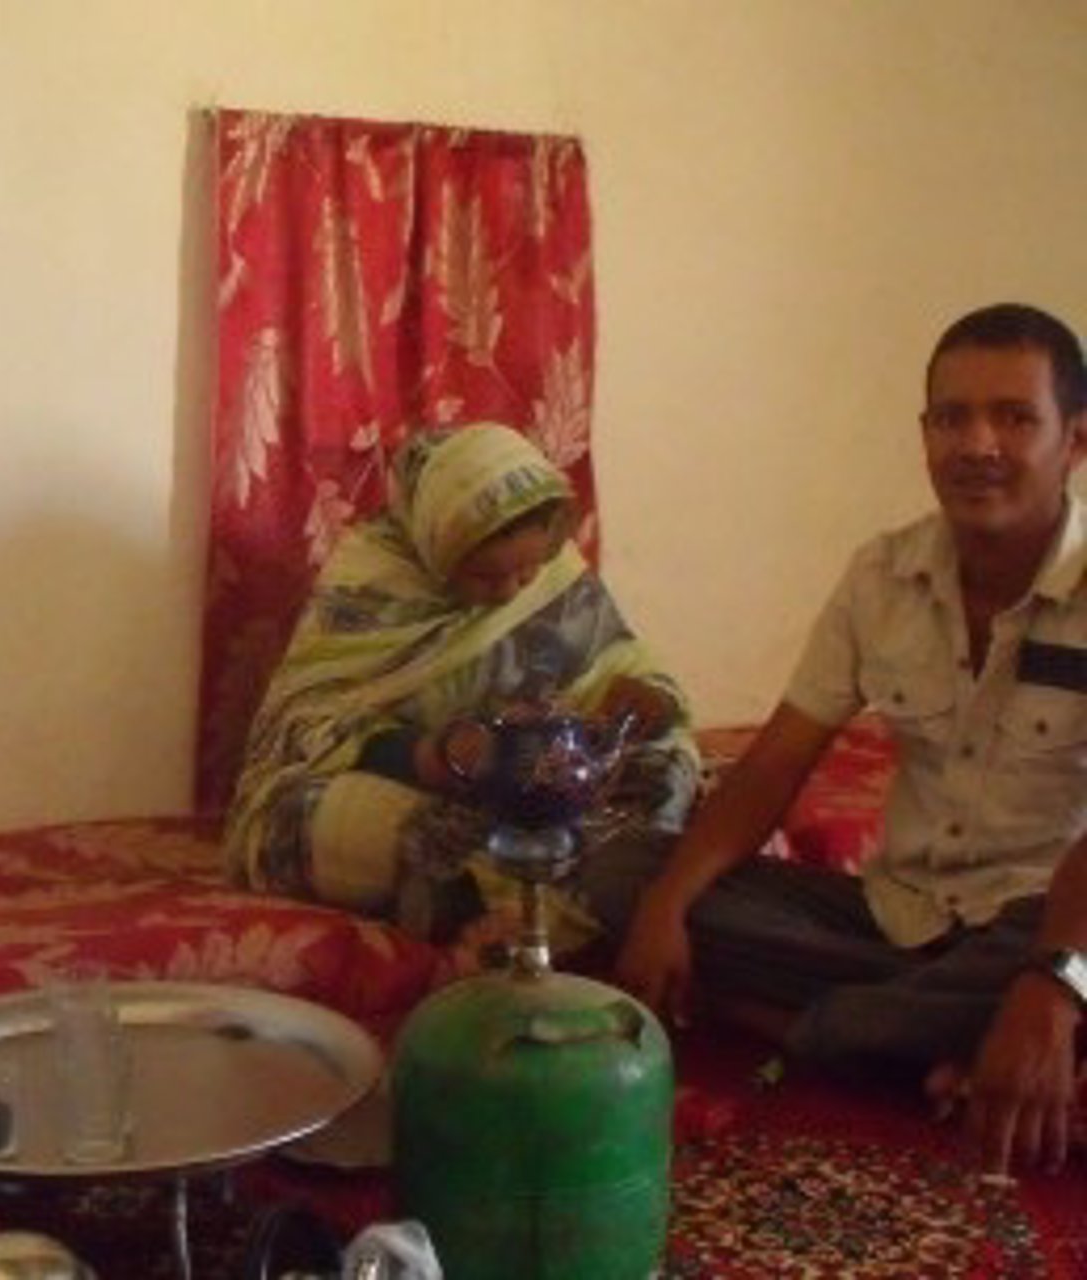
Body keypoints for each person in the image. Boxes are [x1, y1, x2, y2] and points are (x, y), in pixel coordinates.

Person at [590, 302, 1087, 1177]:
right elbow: (778, 759)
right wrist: (667, 902)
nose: (977, 444)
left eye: (1014, 417)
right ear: (925, 435)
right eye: (952, 418)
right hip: (896, 919)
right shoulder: (883, 576)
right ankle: (938, 1047)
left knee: (1040, 977)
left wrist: (1056, 981)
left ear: (1074, 441)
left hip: (1051, 924)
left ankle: (827, 1028)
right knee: (614, 871)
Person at [224, 423, 700, 954]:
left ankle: (523, 898)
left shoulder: (556, 569)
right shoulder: (371, 581)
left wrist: (647, 697)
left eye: (526, 572)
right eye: (486, 578)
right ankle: (527, 903)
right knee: (306, 819)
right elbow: (307, 723)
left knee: (668, 757)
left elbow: (621, 663)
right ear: (438, 547)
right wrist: (431, 755)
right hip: (424, 792)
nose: (510, 592)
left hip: (550, 784)